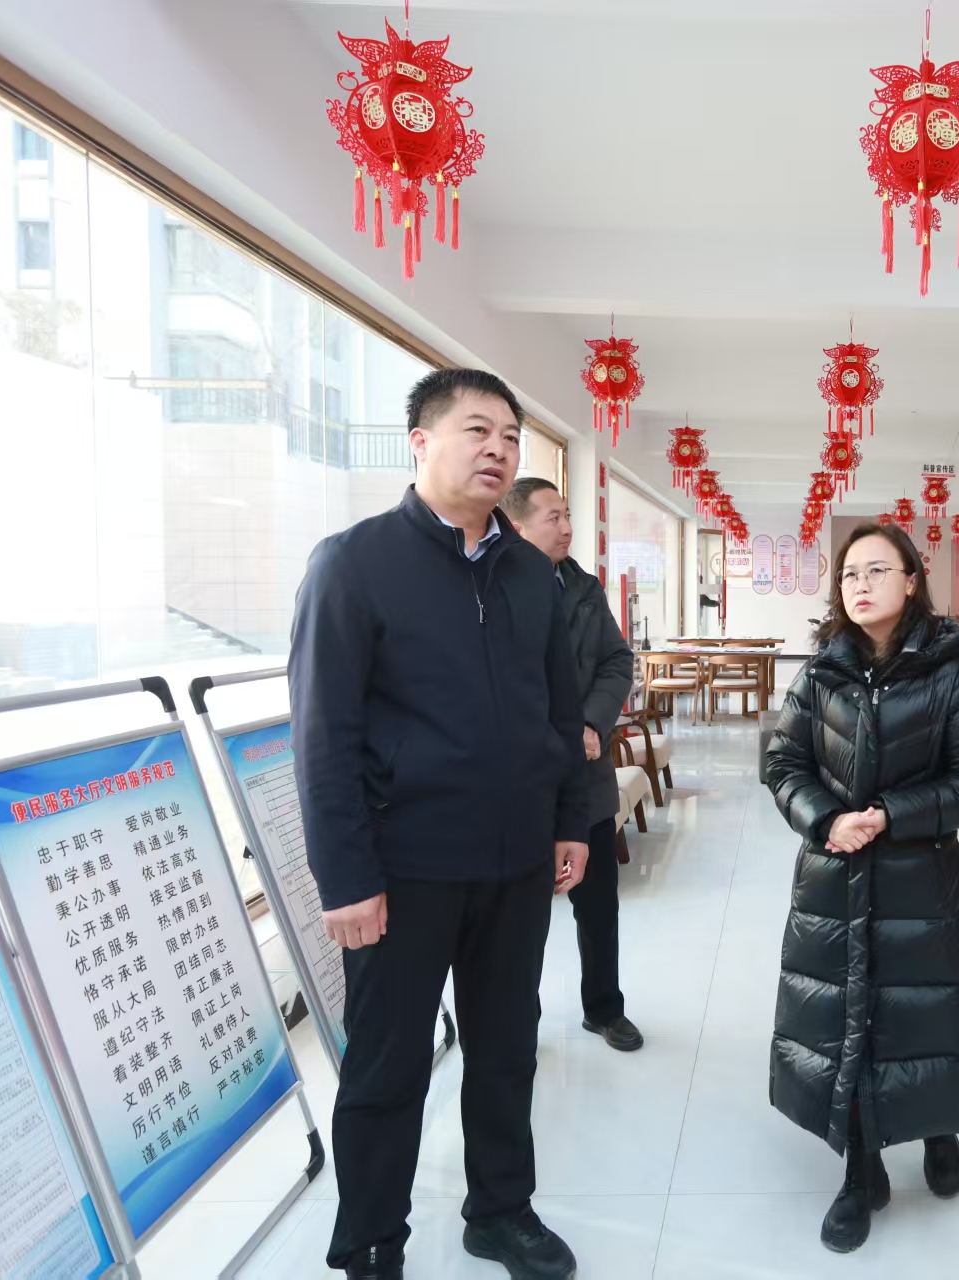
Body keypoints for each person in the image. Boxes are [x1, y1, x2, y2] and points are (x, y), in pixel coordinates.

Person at [290, 368, 588, 1280]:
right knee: (387, 1069)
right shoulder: (354, 563)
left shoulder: (530, 574)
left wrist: (571, 819)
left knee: (506, 1050)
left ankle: (501, 1210)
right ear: (420, 442)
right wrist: (346, 879)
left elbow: (559, 708)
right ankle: (372, 1240)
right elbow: (323, 735)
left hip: (515, 863)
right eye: (476, 430)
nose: (498, 449)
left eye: (511, 435)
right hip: (403, 871)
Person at [763, 522, 959, 1254]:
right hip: (832, 877)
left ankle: (938, 1126)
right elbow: (782, 763)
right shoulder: (821, 672)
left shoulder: (949, 672)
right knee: (845, 1019)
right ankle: (859, 1166)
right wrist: (826, 819)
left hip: (917, 880)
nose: (859, 585)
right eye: (848, 575)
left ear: (911, 580)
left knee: (927, 1015)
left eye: (876, 570)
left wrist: (892, 815)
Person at [507, 476, 644, 1052]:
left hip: (586, 774)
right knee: (521, 919)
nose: (567, 528)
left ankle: (604, 1009)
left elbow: (617, 660)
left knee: (599, 903)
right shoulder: (494, 586)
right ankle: (518, 1022)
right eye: (554, 518)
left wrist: (590, 723)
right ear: (517, 527)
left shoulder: (583, 586)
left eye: (568, 516)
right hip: (522, 782)